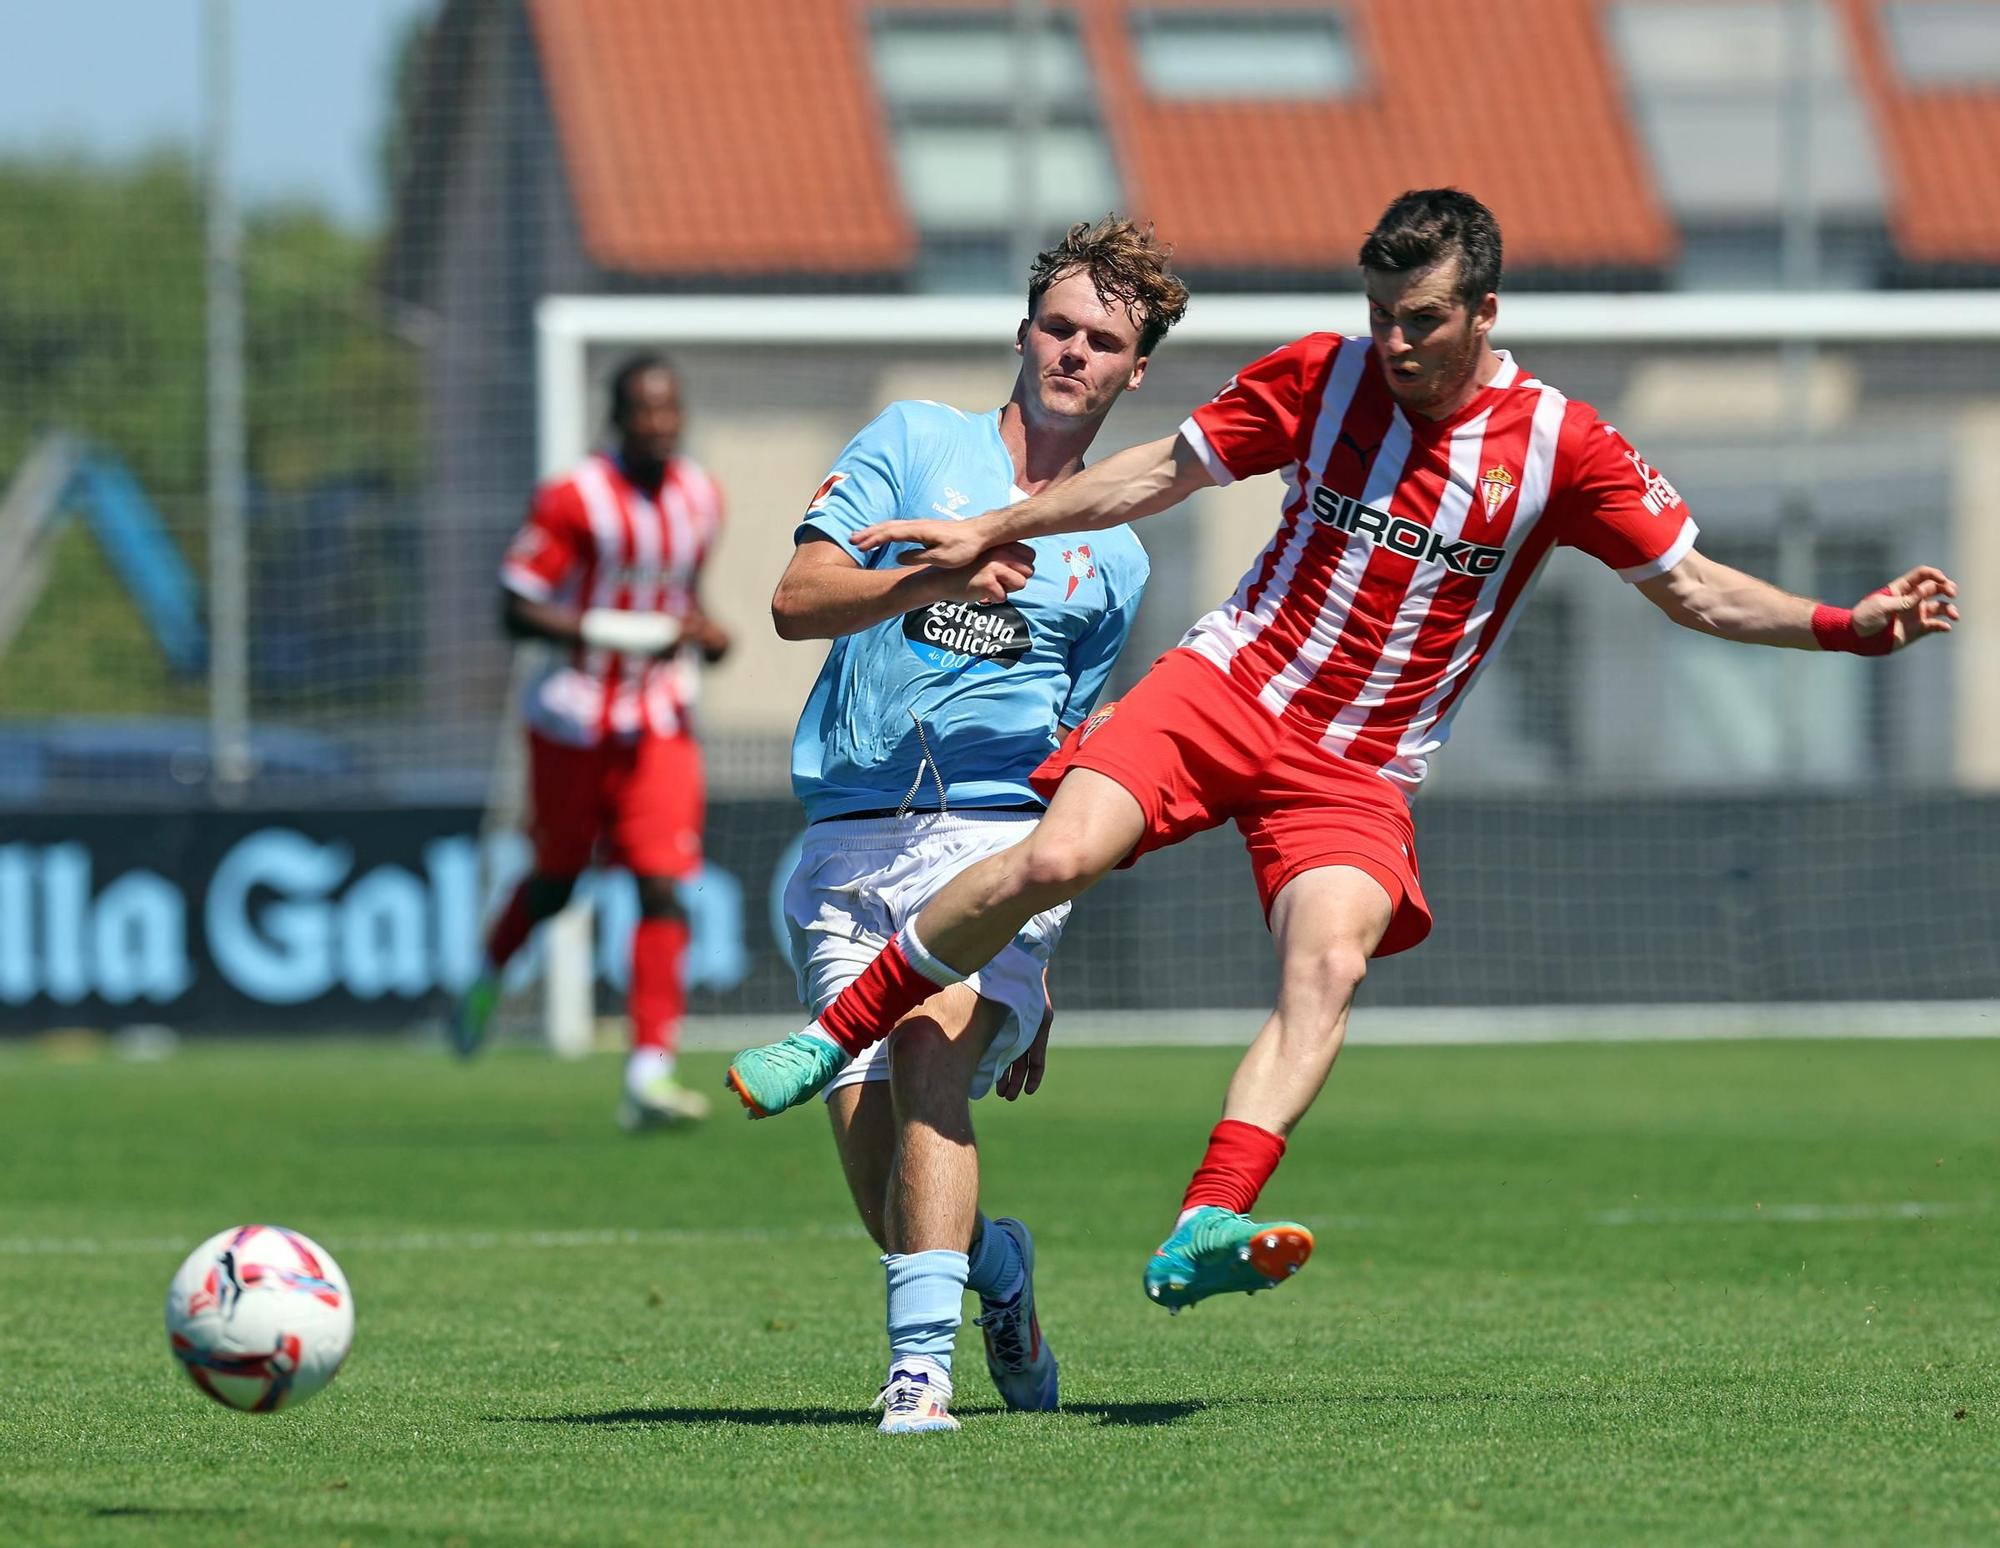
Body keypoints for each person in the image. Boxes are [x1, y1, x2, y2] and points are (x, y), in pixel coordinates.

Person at [726, 188, 1960, 1312]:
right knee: (1057, 860)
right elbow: (1156, 472)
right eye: (1378, 314)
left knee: (1330, 966)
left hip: (1356, 766)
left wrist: (1847, 627)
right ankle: (839, 1035)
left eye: (1419, 318)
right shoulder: (1322, 378)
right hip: (1226, 687)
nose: (1395, 342)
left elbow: (1691, 590)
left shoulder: (1560, 447)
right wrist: (986, 529)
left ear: (1483, 311)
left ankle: (1207, 1219)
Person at [754, 215, 1185, 1433]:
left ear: (1133, 370)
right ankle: (999, 1274)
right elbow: (795, 603)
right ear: (1021, 329)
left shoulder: (1116, 555)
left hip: (993, 848)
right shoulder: (910, 443)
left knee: (940, 1043)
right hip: (848, 840)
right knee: (882, 1178)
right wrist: (940, 574)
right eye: (1056, 326)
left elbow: (1077, 763)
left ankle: (917, 1381)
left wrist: (1049, 959)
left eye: (1101, 342)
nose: (1072, 354)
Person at [455, 354, 731, 1131]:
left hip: (660, 719)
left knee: (660, 881)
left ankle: (649, 1072)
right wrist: (618, 631)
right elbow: (515, 606)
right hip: (574, 719)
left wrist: (703, 636)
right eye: (645, 410)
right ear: (617, 418)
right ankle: (486, 974)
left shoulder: (702, 497)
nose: (660, 424)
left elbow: (682, 603)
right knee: (557, 882)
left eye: (670, 409)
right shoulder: (575, 497)